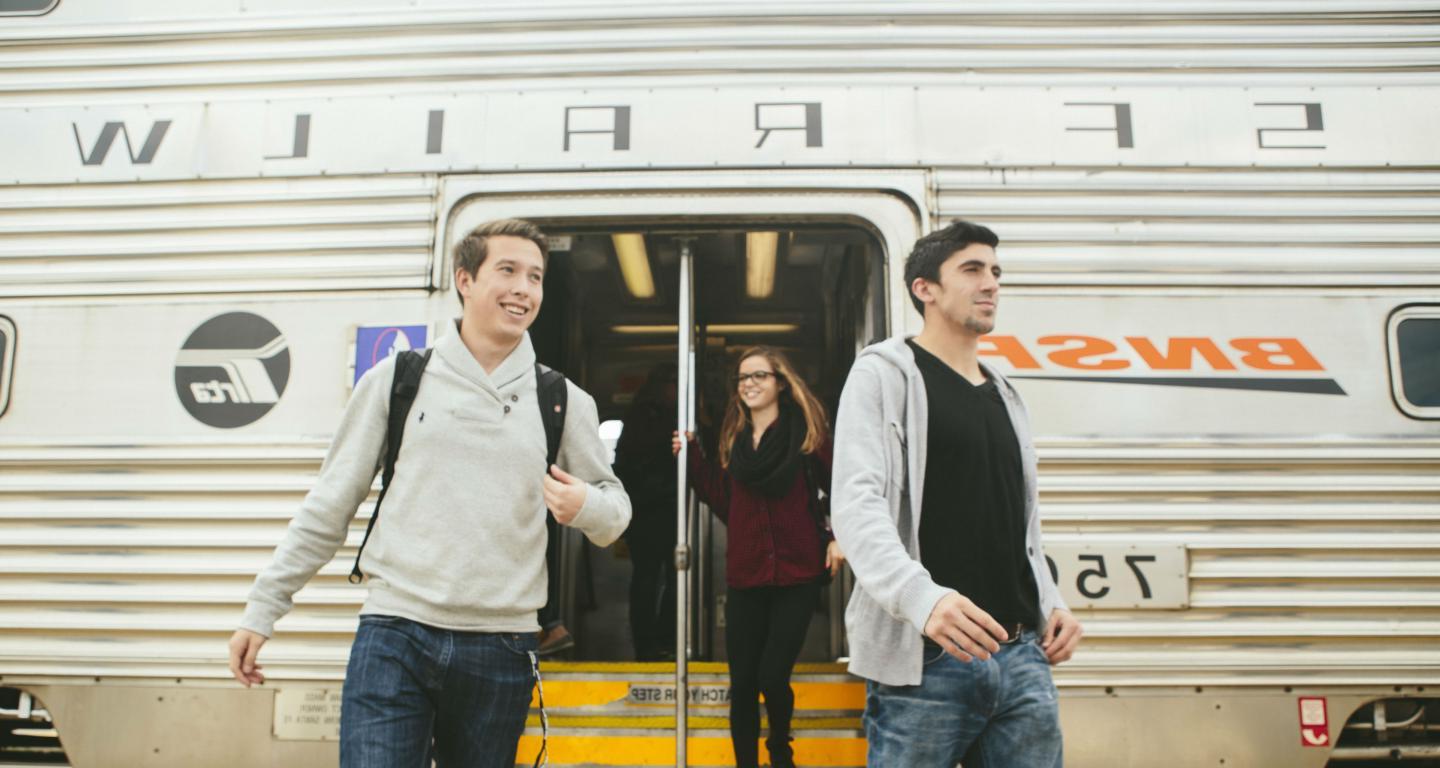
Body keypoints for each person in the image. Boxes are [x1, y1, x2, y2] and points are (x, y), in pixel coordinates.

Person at [226, 218, 631, 767]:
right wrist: (262, 609)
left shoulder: (561, 399)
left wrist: (586, 506)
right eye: (507, 271)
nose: (523, 289)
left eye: (535, 277)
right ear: (464, 280)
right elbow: (329, 506)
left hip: (502, 644)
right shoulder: (397, 380)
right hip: (395, 634)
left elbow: (616, 511)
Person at [831, 220, 1082, 768]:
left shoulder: (1005, 395)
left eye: (995, 271)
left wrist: (1051, 601)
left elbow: (1020, 526)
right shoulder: (884, 375)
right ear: (926, 289)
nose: (990, 283)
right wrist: (926, 601)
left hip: (1022, 658)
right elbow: (856, 507)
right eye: (972, 270)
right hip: (927, 659)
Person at [672, 347, 844, 768]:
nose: (748, 384)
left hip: (798, 574)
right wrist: (692, 457)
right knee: (743, 683)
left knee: (772, 675)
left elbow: (843, 482)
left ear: (780, 383)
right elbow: (722, 499)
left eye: (759, 376)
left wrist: (839, 536)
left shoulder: (807, 435)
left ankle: (780, 753)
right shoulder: (733, 441)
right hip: (746, 575)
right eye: (742, 378)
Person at [612, 364, 679, 661]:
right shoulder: (650, 417)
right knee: (650, 578)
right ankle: (653, 644)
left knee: (660, 577)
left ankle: (659, 642)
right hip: (651, 509)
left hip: (656, 507)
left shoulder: (645, 415)